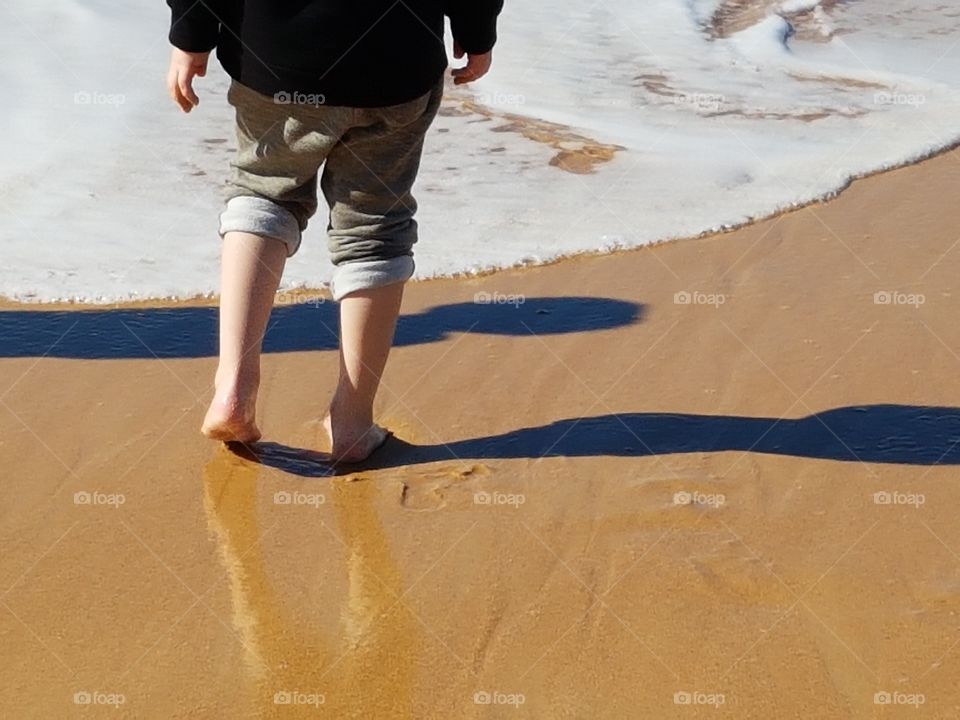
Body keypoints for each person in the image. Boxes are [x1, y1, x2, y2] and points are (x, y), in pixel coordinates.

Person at [165, 0, 504, 462]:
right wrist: (476, 28)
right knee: (374, 226)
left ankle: (234, 387)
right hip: (396, 60)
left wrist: (191, 32)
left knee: (265, 192)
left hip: (273, 56)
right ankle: (352, 421)